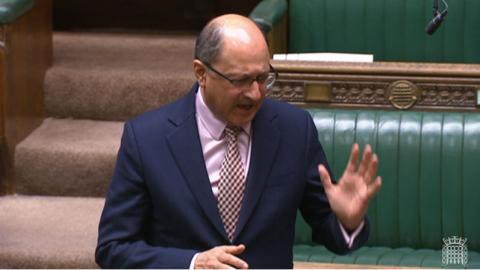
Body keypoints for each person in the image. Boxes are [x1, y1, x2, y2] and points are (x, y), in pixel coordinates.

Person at [95, 14, 382, 269]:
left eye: (262, 78)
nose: (255, 94)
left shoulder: (295, 129)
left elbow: (333, 234)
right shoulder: (147, 139)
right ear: (201, 73)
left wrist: (348, 221)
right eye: (240, 81)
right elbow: (113, 249)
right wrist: (193, 263)